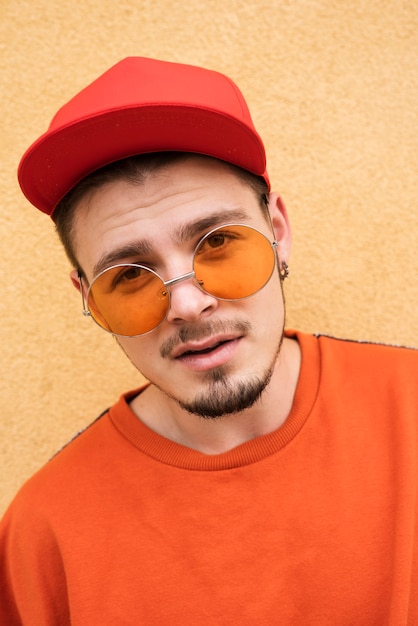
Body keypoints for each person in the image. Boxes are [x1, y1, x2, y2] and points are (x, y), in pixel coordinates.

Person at [1, 56, 417, 626]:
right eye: (129, 276)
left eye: (219, 243)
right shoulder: (43, 534)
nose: (188, 304)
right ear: (87, 297)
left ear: (277, 233)